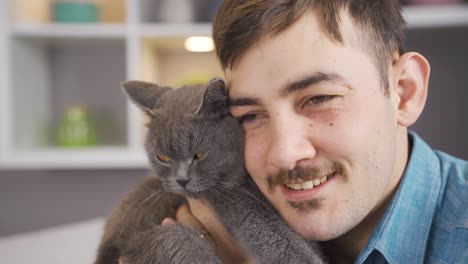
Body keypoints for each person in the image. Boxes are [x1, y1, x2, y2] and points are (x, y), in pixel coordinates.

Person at [162, 1, 468, 263]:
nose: (283, 154)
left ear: (404, 92)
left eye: (319, 99)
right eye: (250, 116)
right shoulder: (211, 222)